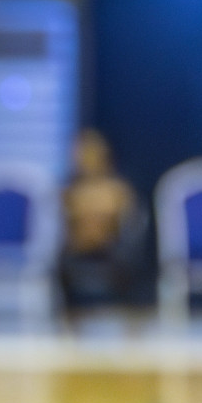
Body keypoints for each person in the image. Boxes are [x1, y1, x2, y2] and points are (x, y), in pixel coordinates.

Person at [58, 128, 144, 321]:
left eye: (92, 154)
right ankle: (67, 319)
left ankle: (127, 318)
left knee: (127, 259)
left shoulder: (118, 190)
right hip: (76, 252)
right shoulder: (69, 192)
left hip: (111, 251)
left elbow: (130, 223)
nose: (87, 159)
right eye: (82, 154)